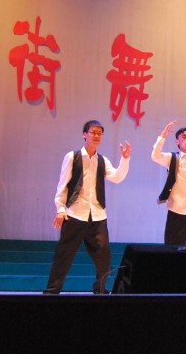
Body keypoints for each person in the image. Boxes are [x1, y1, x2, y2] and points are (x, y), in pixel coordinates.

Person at [44, 120, 131, 294]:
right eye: (93, 132)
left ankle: (100, 289)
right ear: (84, 134)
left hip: (97, 215)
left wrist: (125, 159)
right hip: (75, 214)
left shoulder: (102, 160)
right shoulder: (73, 157)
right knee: (64, 255)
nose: (97, 136)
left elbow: (117, 177)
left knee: (103, 256)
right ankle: (52, 291)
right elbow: (63, 185)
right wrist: (60, 209)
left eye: (100, 133)